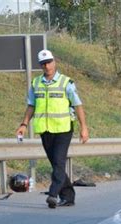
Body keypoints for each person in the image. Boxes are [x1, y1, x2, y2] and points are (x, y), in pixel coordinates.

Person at [15, 49, 89, 209]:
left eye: (49, 62)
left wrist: (84, 128)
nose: (46, 66)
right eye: (43, 64)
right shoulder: (36, 83)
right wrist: (24, 124)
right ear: (40, 66)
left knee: (59, 162)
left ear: (54, 62)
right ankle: (68, 196)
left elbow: (78, 105)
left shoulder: (66, 82)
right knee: (56, 164)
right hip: (45, 130)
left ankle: (53, 194)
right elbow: (31, 106)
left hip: (63, 129)